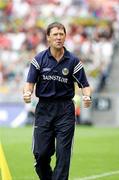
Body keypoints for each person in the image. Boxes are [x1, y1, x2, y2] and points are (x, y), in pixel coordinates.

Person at [23, 22, 92, 180]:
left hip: (65, 111)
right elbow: (29, 84)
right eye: (55, 34)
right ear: (48, 37)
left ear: (65, 36)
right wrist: (27, 93)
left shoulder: (73, 61)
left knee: (63, 156)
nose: (59, 38)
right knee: (40, 155)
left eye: (61, 34)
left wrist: (87, 96)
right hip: (44, 110)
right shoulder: (39, 59)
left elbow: (85, 85)